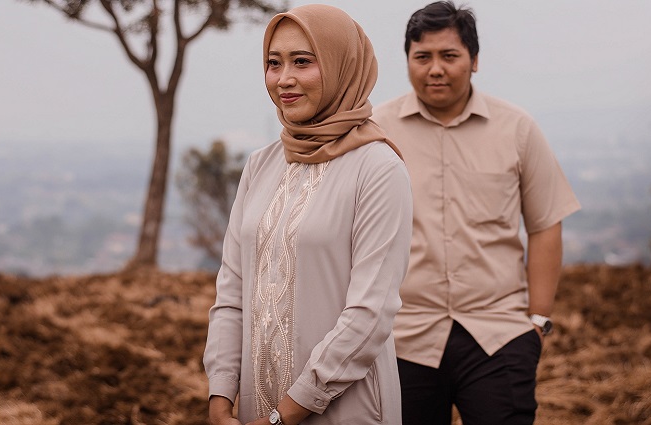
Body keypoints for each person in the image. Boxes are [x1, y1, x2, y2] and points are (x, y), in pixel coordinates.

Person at [372, 2, 581, 424]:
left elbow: (545, 224)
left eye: (449, 56)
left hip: (498, 334)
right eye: (422, 57)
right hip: (402, 337)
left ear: (475, 60)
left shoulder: (517, 128)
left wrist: (537, 322)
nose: (435, 69)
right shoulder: (377, 131)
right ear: (407, 60)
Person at [203, 4, 412, 425]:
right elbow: (231, 296)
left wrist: (290, 410)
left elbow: (370, 315)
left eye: (303, 61)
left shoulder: (378, 168)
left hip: (343, 409)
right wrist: (220, 396)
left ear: (342, 66)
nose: (285, 79)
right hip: (252, 411)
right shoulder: (261, 165)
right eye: (273, 64)